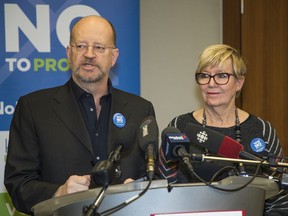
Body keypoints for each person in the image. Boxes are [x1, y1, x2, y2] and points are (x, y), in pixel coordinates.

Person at [4, 15, 156, 214]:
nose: (89, 54)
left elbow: (150, 177)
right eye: (81, 46)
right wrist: (58, 192)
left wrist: (137, 188)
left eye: (99, 47)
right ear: (69, 53)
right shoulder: (33, 107)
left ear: (114, 56)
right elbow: (18, 185)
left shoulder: (140, 109)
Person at [158, 44, 288, 215]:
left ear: (239, 83)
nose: (211, 83)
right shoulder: (179, 126)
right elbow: (162, 186)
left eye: (221, 76)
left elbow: (280, 196)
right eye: (205, 76)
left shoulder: (262, 130)